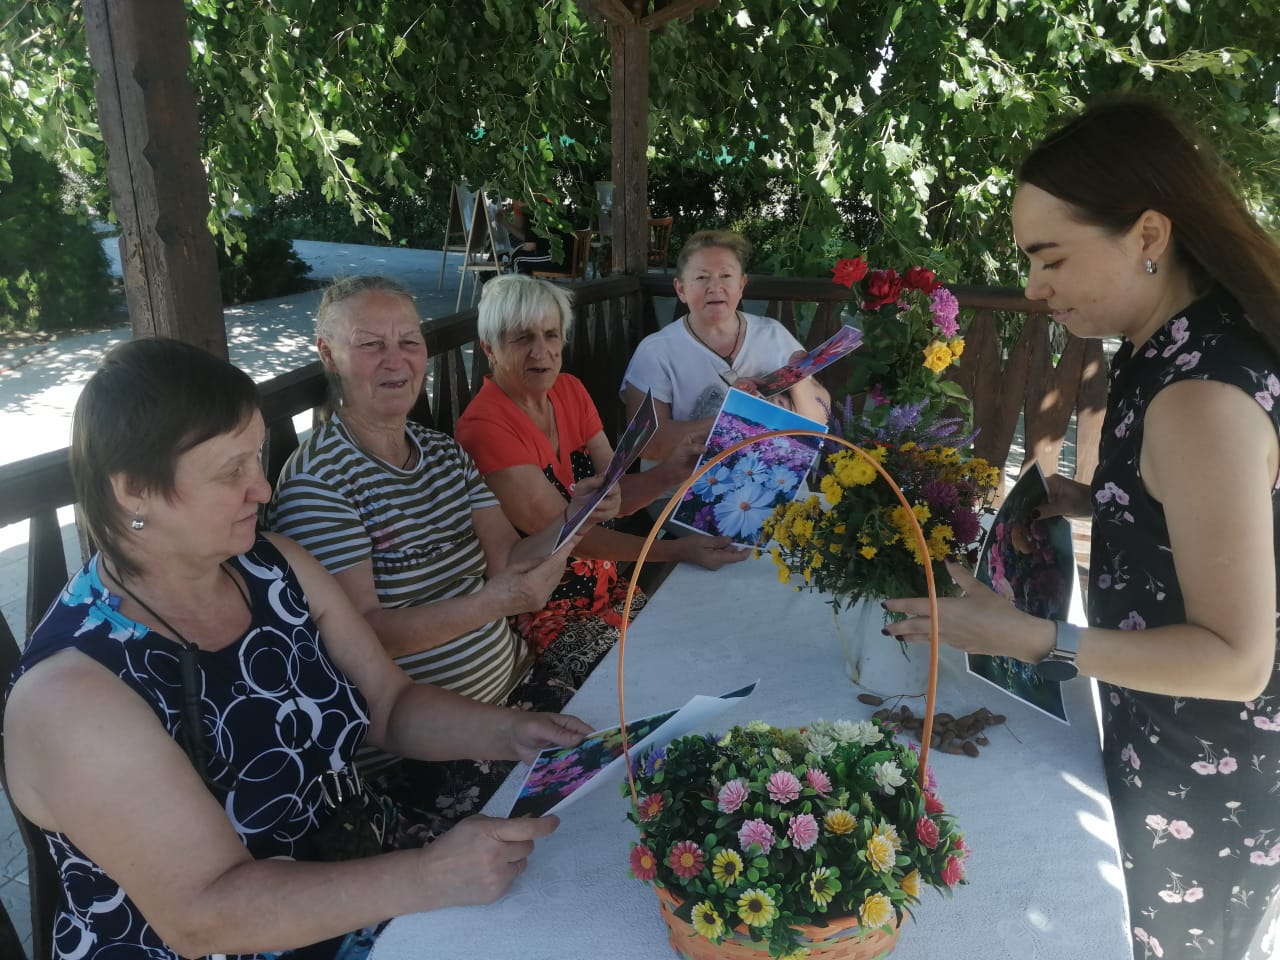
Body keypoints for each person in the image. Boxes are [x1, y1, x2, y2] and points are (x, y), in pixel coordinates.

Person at [2, 337, 593, 960]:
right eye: (231, 471)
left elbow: (389, 705)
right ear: (132, 491)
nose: (261, 488)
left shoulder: (271, 567)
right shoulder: (73, 695)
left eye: (255, 459)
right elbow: (204, 916)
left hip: (363, 872)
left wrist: (515, 733)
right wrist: (429, 876)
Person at [884, 96, 1280, 960]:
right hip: (1161, 728)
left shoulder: (1198, 397)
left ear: (1148, 234)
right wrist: (1093, 501)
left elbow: (1238, 662)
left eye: (1050, 257)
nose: (1033, 287)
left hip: (1202, 774)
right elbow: (1198, 513)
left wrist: (1030, 637)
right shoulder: (1169, 343)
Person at [266, 275, 618, 831]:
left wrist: (578, 514)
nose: (396, 360)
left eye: (408, 341)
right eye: (371, 344)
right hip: (427, 754)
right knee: (599, 816)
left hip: (518, 689)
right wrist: (494, 604)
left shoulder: (443, 454)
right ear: (328, 355)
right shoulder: (320, 484)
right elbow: (366, 636)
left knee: (636, 723)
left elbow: (509, 559)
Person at [455, 274, 747, 656]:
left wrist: (672, 472)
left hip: (607, 586)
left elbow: (615, 496)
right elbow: (580, 540)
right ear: (490, 348)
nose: (541, 351)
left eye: (551, 334)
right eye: (522, 338)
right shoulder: (485, 428)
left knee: (705, 639)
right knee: (658, 662)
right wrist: (677, 550)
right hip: (546, 609)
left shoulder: (570, 390)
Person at [620, 229, 831, 462]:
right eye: (702, 277)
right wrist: (736, 418)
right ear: (681, 289)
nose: (715, 286)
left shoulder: (773, 334)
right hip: (690, 482)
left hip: (777, 478)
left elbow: (818, 419)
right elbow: (646, 443)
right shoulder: (656, 352)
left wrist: (798, 379)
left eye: (726, 276)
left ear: (741, 285)